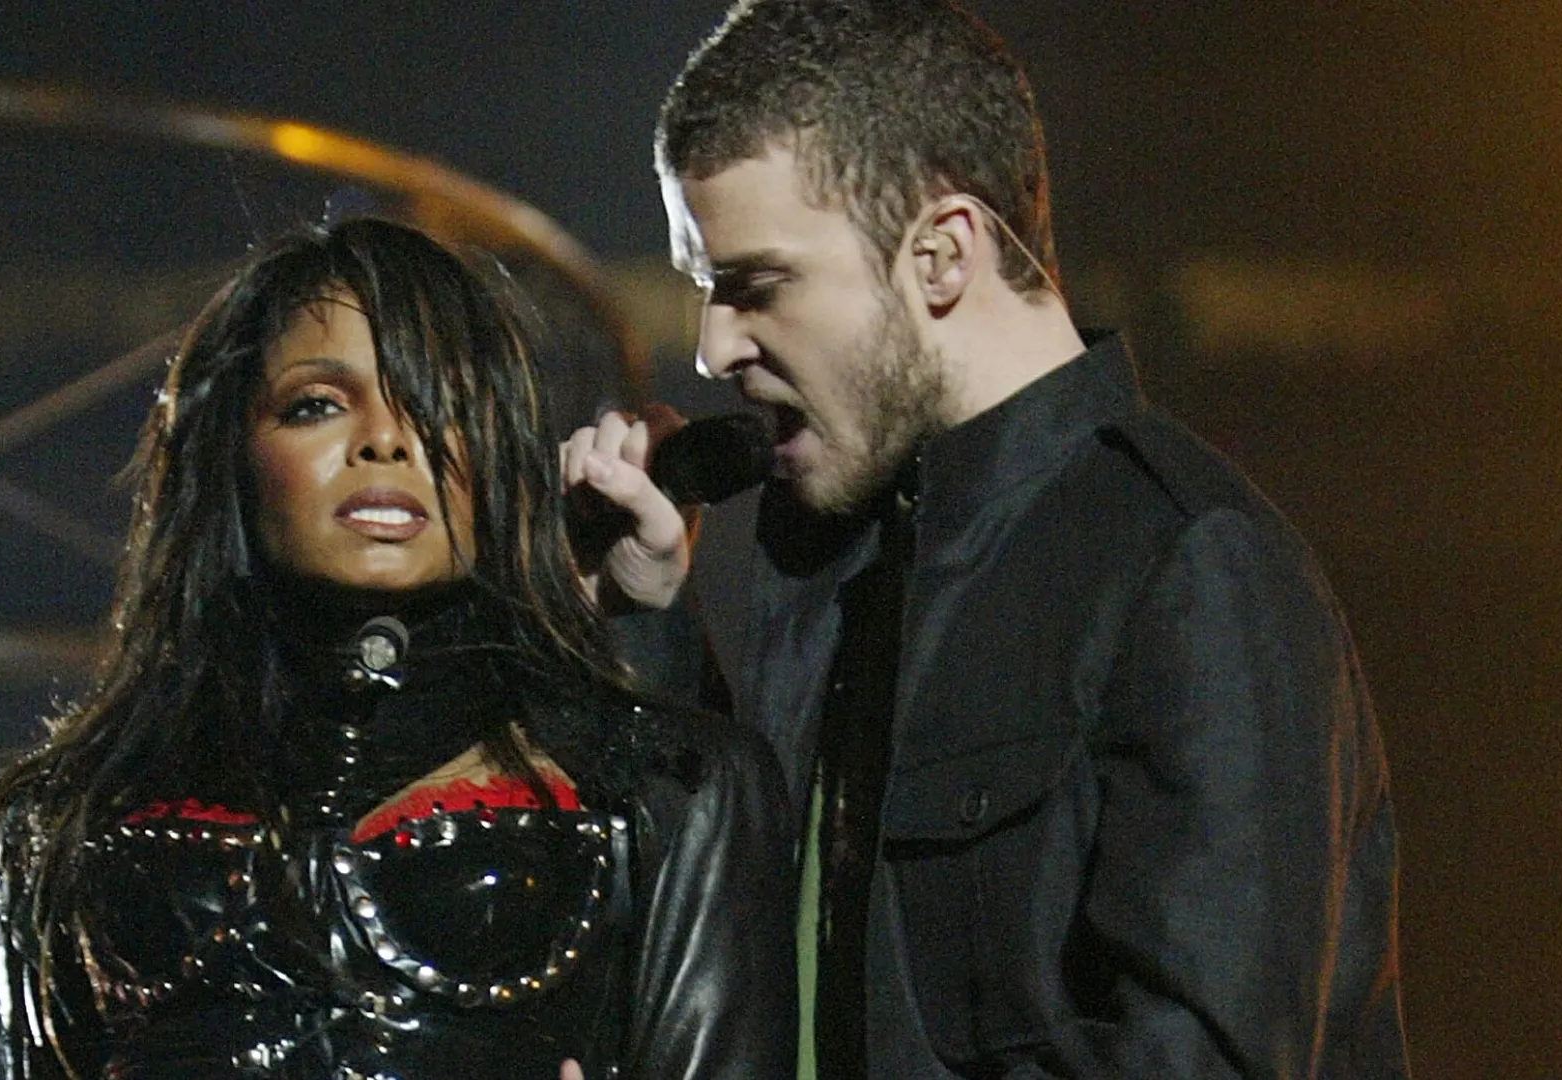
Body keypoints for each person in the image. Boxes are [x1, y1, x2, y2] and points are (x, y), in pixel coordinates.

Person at [563, 1, 1411, 1077]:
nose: (713, 347)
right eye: (702, 288)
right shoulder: (827, 551)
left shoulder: (1187, 567)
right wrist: (646, 621)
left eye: (755, 285)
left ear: (941, 255)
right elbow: (731, 968)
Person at [0, 217, 794, 1079]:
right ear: (231, 457)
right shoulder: (64, 816)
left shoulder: (680, 788)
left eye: (440, 404)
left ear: (501, 453)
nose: (386, 440)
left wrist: (635, 623)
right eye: (317, 405)